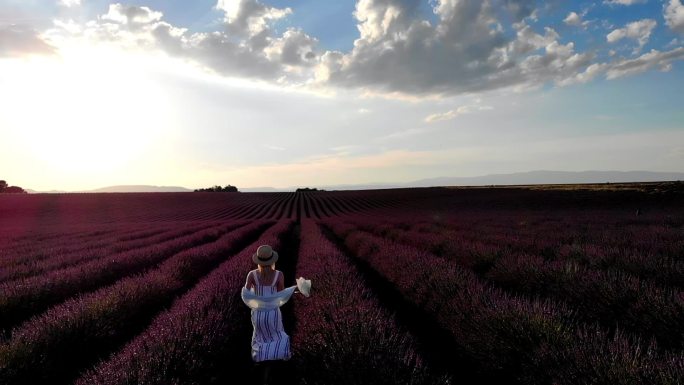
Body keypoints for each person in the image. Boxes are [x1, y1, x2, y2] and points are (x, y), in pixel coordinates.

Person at [244, 245, 292, 385]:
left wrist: (257, 297)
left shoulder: (251, 275)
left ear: (258, 260)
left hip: (258, 313)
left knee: (260, 338)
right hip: (273, 313)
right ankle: (273, 362)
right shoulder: (279, 274)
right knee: (276, 336)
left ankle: (262, 362)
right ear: (272, 260)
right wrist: (295, 291)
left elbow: (246, 294)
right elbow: (281, 295)